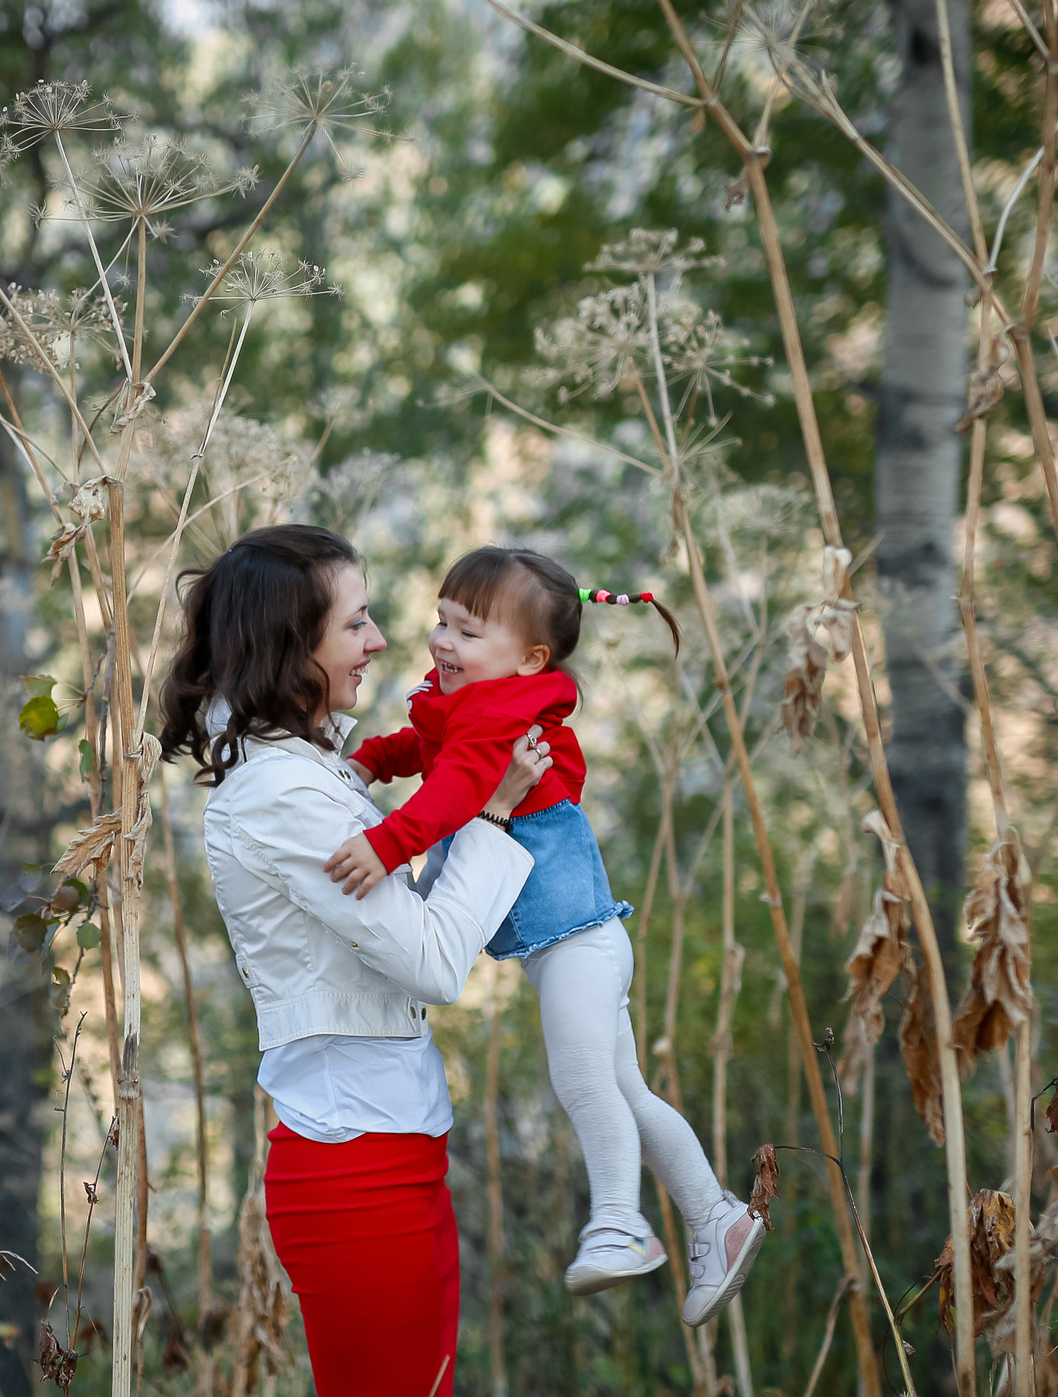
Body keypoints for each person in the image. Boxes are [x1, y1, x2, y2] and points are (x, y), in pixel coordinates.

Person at [161, 524, 547, 1397]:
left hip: (393, 1156)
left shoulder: (312, 768)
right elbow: (429, 958)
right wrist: (489, 813)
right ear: (293, 645)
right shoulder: (282, 794)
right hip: (351, 1178)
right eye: (357, 622)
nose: (384, 640)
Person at [321, 546, 765, 1327]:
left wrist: (389, 843)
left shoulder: (502, 716)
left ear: (530, 659)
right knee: (628, 1090)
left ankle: (621, 1225)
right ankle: (716, 1216)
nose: (442, 643)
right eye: (442, 622)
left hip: (579, 945)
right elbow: (422, 747)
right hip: (575, 943)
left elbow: (457, 788)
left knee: (586, 1084)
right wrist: (369, 760)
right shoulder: (469, 701)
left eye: (468, 632)